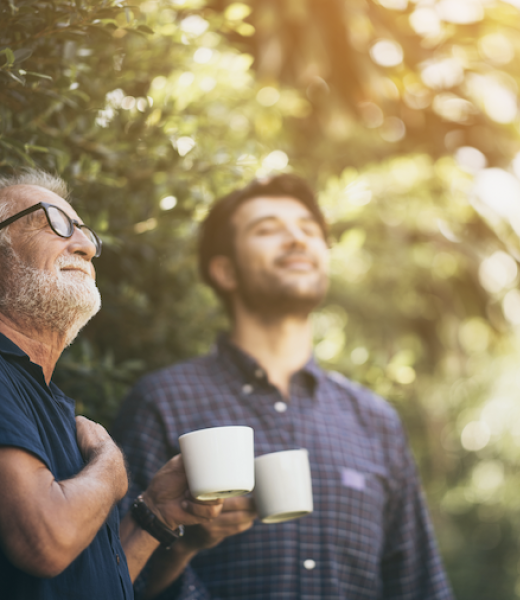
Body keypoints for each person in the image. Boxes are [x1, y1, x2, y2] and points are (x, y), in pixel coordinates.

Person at [114, 174, 454, 600]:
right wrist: (181, 544)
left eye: (309, 230)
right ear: (225, 271)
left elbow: (419, 586)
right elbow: (106, 583)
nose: (297, 239)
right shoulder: (161, 402)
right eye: (268, 229)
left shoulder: (376, 421)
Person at [0, 169, 223, 600]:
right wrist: (110, 466)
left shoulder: (44, 398)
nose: (85, 246)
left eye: (84, 232)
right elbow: (44, 542)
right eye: (53, 222)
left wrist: (154, 514)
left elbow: (79, 582)